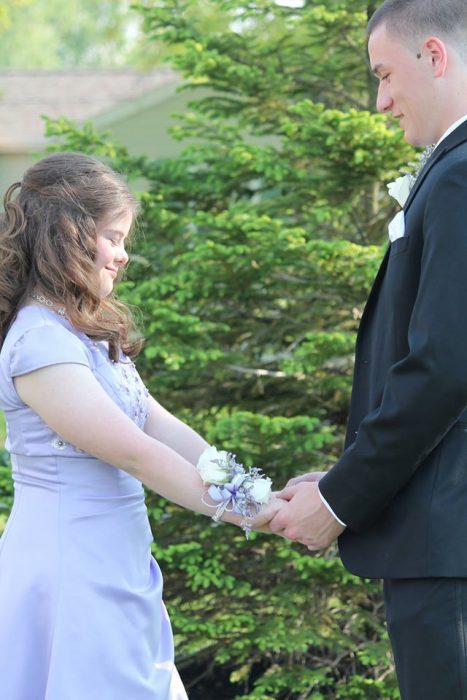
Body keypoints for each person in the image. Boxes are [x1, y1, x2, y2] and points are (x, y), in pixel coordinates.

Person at [0, 152, 280, 700]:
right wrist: (252, 512)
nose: (123, 256)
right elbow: (136, 454)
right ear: (67, 234)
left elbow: (163, 428)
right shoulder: (39, 344)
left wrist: (253, 488)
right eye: (114, 237)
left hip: (119, 564)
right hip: (72, 571)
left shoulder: (83, 332)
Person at [269, 1, 467, 697]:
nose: (380, 101)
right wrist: (337, 477)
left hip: (449, 545)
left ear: (434, 57)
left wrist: (341, 498)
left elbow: (445, 366)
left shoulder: (459, 177)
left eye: (384, 75)